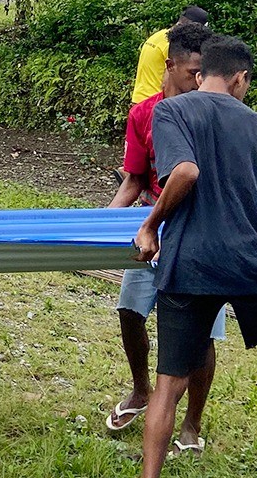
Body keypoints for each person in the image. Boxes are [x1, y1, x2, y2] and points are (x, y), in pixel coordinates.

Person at [135, 35, 257, 478]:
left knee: (168, 383)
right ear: (241, 78)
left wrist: (149, 225)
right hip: (249, 259)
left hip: (190, 259)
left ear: (201, 72)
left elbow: (184, 171)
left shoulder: (170, 110)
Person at [103, 22, 226, 452]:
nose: (197, 79)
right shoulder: (144, 114)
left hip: (203, 230)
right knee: (130, 310)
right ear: (169, 65)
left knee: (203, 331)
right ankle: (141, 389)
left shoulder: (214, 114)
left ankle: (192, 424)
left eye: (202, 71)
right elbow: (134, 179)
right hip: (153, 225)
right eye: (190, 70)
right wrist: (102, 226)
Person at [131, 5, 209, 104]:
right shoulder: (174, 45)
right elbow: (167, 80)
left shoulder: (158, 36)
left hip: (139, 98)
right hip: (156, 102)